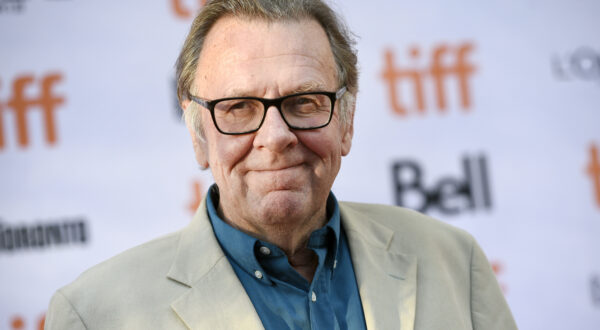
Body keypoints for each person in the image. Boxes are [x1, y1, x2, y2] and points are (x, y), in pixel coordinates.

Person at [45, 0, 517, 329]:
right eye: (238, 108)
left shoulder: (454, 261)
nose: (275, 137)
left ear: (346, 122)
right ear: (198, 136)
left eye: (305, 102)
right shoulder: (94, 315)